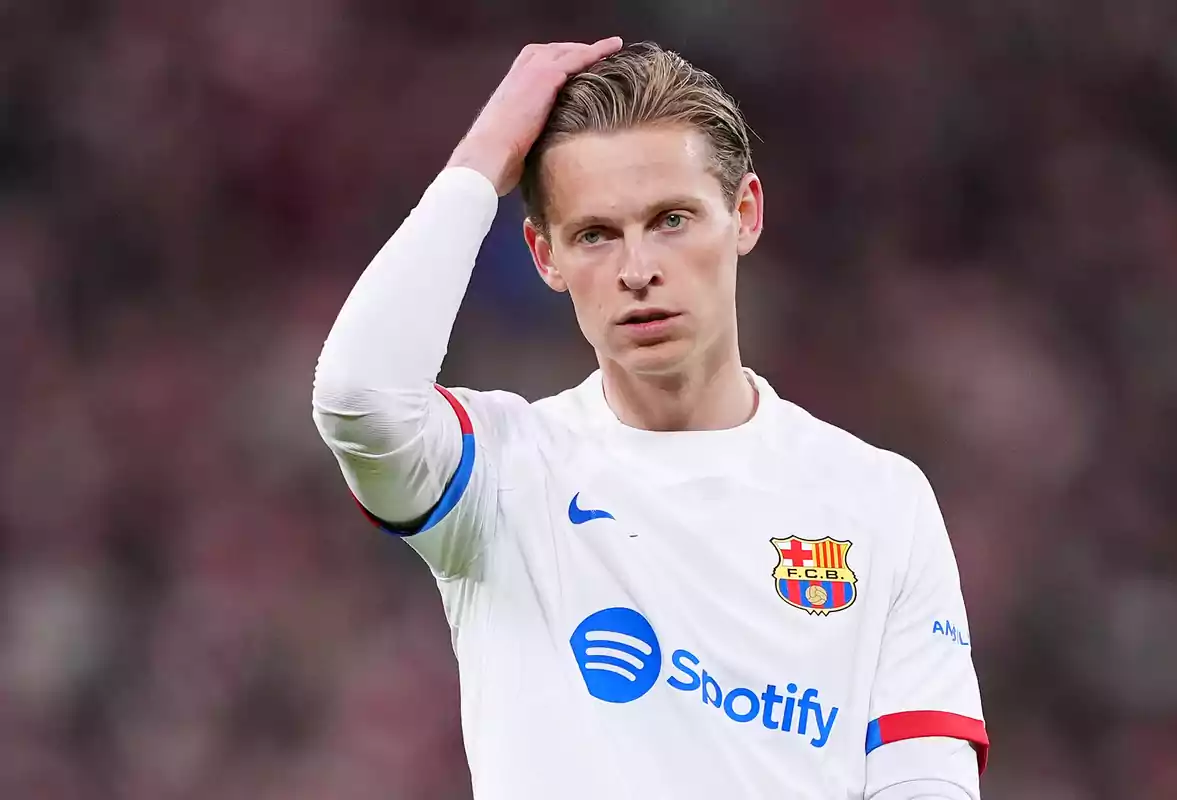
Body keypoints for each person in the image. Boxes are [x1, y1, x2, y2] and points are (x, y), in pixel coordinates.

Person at [312, 37, 988, 799]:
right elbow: (358, 398)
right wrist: (485, 156)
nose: (638, 270)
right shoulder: (501, 475)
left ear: (745, 214)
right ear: (545, 256)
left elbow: (926, 785)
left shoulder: (879, 502)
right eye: (595, 234)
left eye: (671, 219)